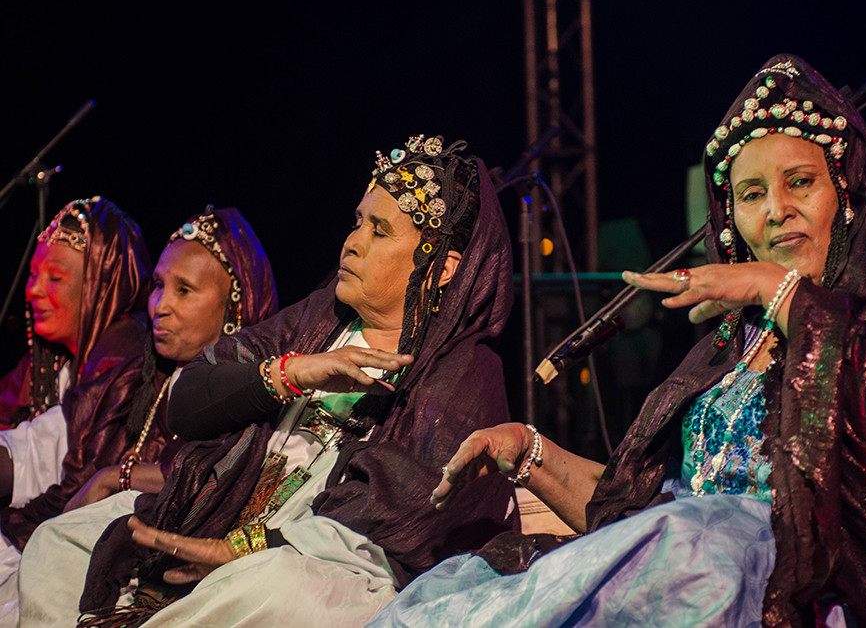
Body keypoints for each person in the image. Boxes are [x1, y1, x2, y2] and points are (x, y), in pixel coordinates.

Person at [370, 56, 866, 627]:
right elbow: (636, 513)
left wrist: (783, 294)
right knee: (446, 601)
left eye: (800, 183)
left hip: (792, 593)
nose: (776, 209)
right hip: (685, 571)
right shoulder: (726, 351)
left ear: (848, 196)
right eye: (751, 195)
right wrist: (530, 452)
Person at [19, 135, 517, 627]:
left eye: (380, 231)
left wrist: (241, 548)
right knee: (61, 540)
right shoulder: (317, 321)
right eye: (357, 222)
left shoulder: (462, 372)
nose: (352, 241)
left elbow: (399, 516)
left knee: (276, 590)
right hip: (221, 512)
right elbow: (188, 399)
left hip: (321, 564)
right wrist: (292, 371)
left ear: (442, 268)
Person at [63, 206, 279, 511]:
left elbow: (216, 476)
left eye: (184, 290)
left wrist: (113, 477)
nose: (160, 306)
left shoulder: (250, 398)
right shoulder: (138, 380)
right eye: (159, 286)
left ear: (233, 306)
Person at [0, 197, 151, 588]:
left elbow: (42, 456)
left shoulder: (123, 357)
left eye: (55, 277)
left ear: (102, 284)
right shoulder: (49, 364)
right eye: (34, 276)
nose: (33, 291)